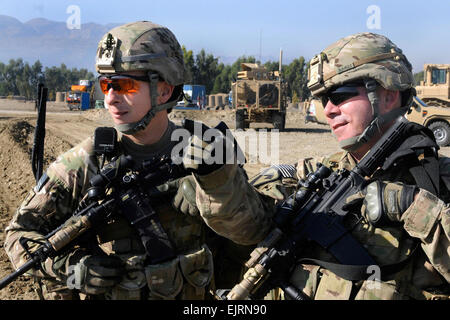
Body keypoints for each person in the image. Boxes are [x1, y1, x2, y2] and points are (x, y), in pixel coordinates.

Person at [4, 21, 270, 300]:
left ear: (164, 90)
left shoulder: (208, 149)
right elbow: (18, 234)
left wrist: (217, 187)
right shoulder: (86, 161)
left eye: (124, 85)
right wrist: (70, 267)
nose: (110, 99)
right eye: (105, 85)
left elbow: (254, 233)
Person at [188, 32, 450, 300]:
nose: (329, 110)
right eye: (324, 100)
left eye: (340, 94)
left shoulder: (437, 180)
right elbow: (248, 226)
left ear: (389, 94)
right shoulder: (319, 174)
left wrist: (417, 208)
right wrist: (217, 178)